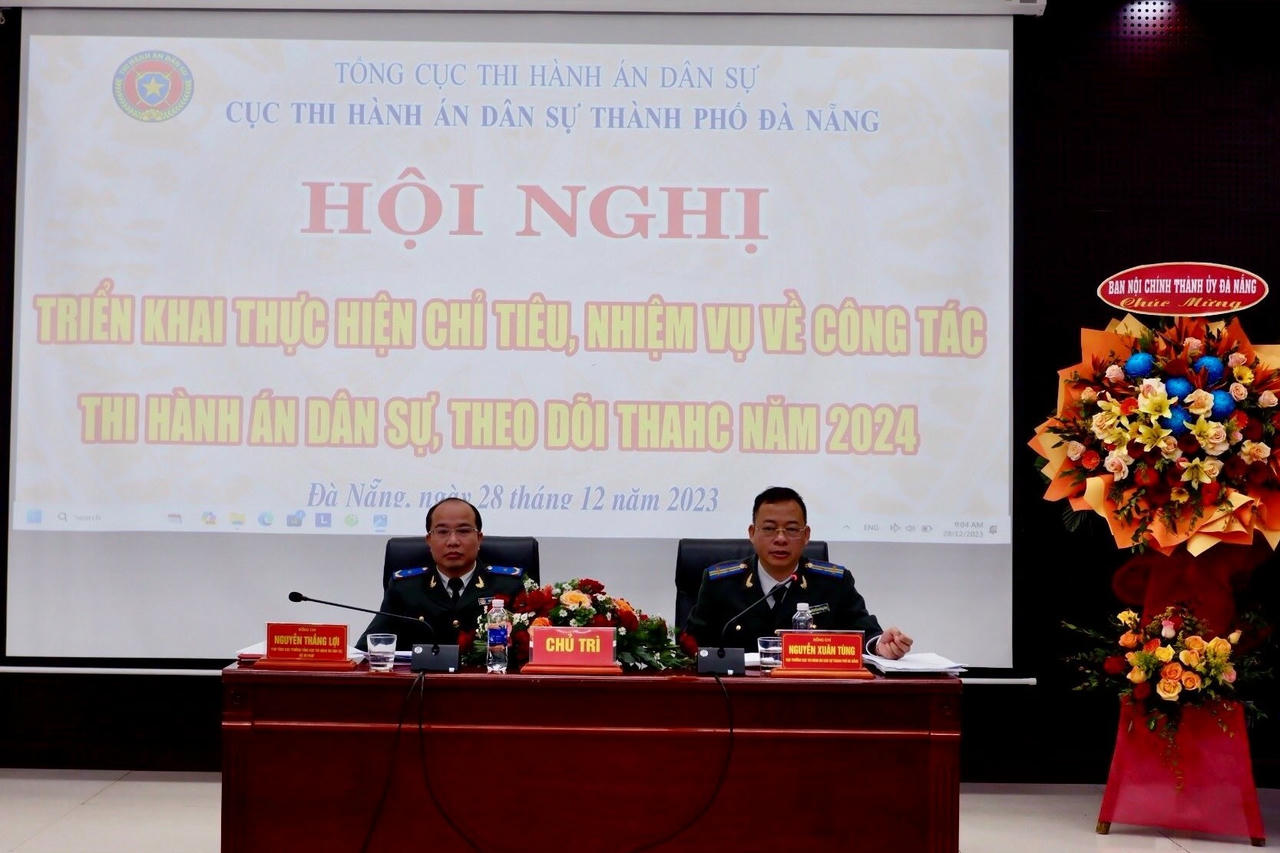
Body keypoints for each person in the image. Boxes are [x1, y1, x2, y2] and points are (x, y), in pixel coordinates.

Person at [683, 486, 913, 659]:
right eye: (769, 529)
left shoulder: (834, 583)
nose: (780, 538)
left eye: (792, 529)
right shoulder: (720, 583)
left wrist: (879, 645)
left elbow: (865, 633)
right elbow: (689, 648)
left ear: (806, 535)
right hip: (735, 698)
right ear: (752, 533)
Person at [356, 497, 525, 651]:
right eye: (443, 532)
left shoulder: (509, 585)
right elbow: (367, 650)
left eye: (463, 531)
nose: (453, 541)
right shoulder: (404, 589)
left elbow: (530, 651)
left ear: (479, 538)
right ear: (429, 540)